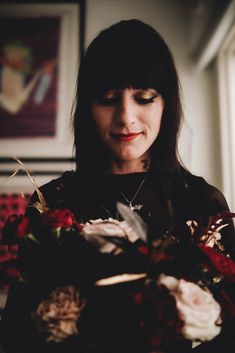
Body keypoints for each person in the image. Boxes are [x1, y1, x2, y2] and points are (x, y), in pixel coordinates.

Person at [1, 19, 235, 353]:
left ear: (166, 104)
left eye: (143, 98)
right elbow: (18, 335)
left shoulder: (201, 202)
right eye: (108, 98)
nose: (125, 117)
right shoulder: (51, 204)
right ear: (87, 107)